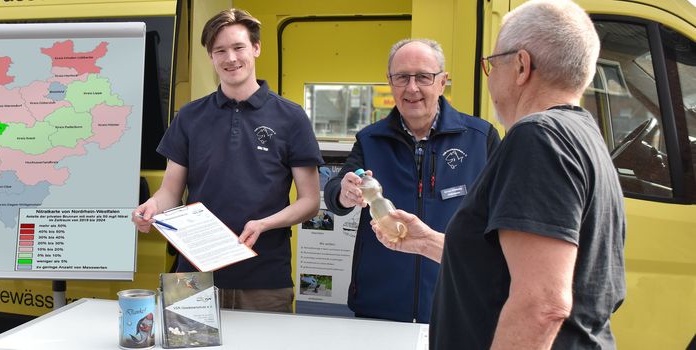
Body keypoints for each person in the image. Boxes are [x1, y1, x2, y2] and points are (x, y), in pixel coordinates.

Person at [380, 0, 626, 348]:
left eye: (492, 65)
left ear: (522, 66)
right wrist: (426, 241)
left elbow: (542, 304)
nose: (491, 77)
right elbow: (509, 266)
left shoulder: (538, 136)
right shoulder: (583, 134)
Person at [132, 8, 322, 313]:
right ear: (210, 56)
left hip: (265, 280)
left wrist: (264, 224)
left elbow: (310, 201)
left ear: (256, 48)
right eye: (219, 50)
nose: (230, 58)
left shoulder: (291, 117)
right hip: (193, 277)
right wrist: (152, 207)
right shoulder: (190, 117)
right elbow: (170, 191)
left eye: (238, 47)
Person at [323, 39, 499, 322]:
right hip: (379, 305)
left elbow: (501, 213)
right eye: (402, 77)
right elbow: (336, 191)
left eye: (423, 77)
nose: (412, 87)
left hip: (458, 303)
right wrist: (345, 192)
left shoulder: (481, 138)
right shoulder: (370, 140)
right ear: (390, 82)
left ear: (442, 82)